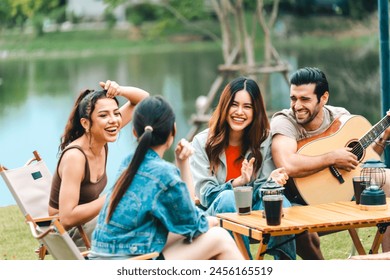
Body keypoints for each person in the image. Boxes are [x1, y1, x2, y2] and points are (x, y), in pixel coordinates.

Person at [88, 96, 244, 260]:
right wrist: (213, 221)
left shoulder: (128, 163)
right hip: (129, 263)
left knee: (198, 235)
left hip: (106, 258)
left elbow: (186, 218)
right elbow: (196, 225)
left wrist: (182, 162)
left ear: (135, 132)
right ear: (173, 132)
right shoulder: (163, 173)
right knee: (220, 237)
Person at [270, 66, 390, 259]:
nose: (297, 105)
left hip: (344, 192)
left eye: (305, 99)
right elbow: (288, 165)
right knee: (303, 232)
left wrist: (383, 139)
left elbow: (362, 162)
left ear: (324, 98)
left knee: (387, 178)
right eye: (293, 98)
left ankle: (386, 260)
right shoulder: (284, 122)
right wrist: (331, 157)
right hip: (300, 203)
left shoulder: (340, 117)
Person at [190, 76, 296, 260]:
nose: (240, 112)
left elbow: (261, 193)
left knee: (280, 202)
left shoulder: (264, 141)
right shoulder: (201, 143)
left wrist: (270, 183)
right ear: (224, 106)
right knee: (228, 197)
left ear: (256, 111)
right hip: (214, 215)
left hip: (252, 210)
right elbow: (206, 196)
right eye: (234, 104)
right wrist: (238, 183)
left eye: (247, 106)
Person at [48, 80, 149, 247]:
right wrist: (113, 195)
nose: (113, 120)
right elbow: (66, 218)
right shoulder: (75, 157)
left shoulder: (102, 135)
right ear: (86, 123)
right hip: (70, 233)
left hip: (91, 223)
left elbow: (145, 100)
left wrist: (120, 90)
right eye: (103, 115)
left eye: (116, 113)